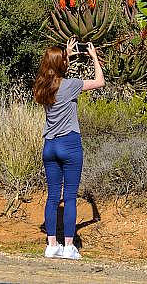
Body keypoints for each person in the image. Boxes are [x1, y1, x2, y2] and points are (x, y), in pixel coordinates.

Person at [32, 38, 105, 260]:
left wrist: (67, 55)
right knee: (70, 196)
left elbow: (57, 73)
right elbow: (99, 82)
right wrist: (93, 57)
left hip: (49, 145)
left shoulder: (42, 87)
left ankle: (52, 245)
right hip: (69, 143)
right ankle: (69, 247)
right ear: (61, 64)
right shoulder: (71, 85)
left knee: (53, 196)